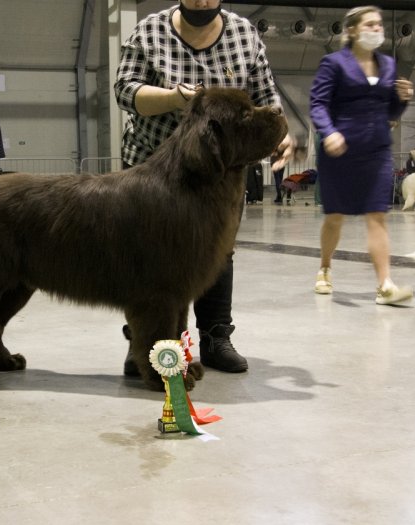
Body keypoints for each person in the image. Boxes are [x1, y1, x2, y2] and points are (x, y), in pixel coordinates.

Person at [114, 0, 294, 373]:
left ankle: (215, 337)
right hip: (154, 168)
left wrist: (281, 132)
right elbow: (125, 91)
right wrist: (175, 97)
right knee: (150, 262)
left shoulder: (245, 34)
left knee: (217, 253)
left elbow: (266, 98)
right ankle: (148, 347)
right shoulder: (149, 30)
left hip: (221, 174)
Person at [309, 5, 413, 305]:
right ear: (352, 30)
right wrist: (329, 132)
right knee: (335, 217)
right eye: (370, 24)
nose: (376, 29)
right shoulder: (333, 63)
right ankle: (324, 269)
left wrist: (402, 100)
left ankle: (385, 285)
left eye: (379, 25)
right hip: (339, 151)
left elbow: (390, 110)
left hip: (377, 151)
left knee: (377, 215)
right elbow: (318, 104)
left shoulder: (389, 65)